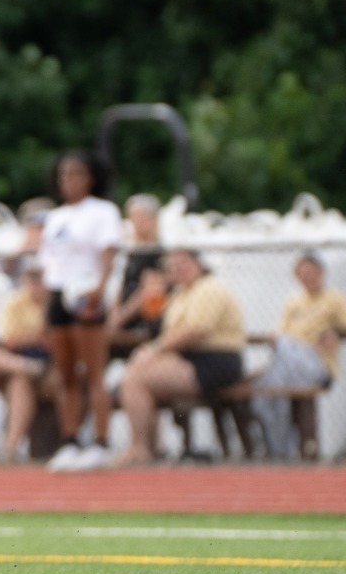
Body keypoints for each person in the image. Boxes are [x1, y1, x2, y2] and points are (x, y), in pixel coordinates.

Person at [118, 247, 248, 464]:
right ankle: (151, 447)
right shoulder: (179, 294)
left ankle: (140, 448)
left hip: (214, 361)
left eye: (183, 264)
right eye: (173, 266)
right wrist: (150, 294)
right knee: (136, 374)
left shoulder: (209, 289)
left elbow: (195, 332)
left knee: (135, 379)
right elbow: (159, 328)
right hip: (189, 359)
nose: (178, 270)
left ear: (198, 264)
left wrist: (154, 349)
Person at [39, 150, 123, 471]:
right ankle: (70, 440)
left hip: (86, 293)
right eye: (63, 175)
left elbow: (107, 252)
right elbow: (50, 263)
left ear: (91, 178)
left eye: (76, 174)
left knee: (94, 372)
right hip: (59, 294)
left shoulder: (102, 212)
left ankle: (101, 442)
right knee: (65, 375)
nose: (68, 181)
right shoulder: (56, 217)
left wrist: (98, 290)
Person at [270, 251, 346, 457]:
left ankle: (305, 448)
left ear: (321, 273)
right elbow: (280, 335)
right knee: (263, 395)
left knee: (284, 352)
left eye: (310, 272)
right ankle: (281, 449)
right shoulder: (293, 303)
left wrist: (338, 334)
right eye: (302, 273)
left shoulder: (334, 299)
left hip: (318, 364)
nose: (307, 277)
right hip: (292, 363)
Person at [0, 259, 57, 460]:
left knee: (18, 380)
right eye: (32, 278)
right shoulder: (16, 302)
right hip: (21, 361)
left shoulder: (55, 303)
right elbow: (9, 341)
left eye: (40, 278)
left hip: (49, 367)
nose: (36, 284)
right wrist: (35, 338)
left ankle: (11, 446)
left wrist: (30, 338)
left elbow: (55, 342)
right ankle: (11, 448)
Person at [110, 194, 167, 355]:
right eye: (133, 218)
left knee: (99, 339)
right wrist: (114, 315)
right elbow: (122, 286)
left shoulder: (156, 253)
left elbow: (147, 293)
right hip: (124, 321)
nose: (137, 223)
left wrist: (119, 319)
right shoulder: (134, 251)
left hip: (144, 324)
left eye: (142, 217)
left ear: (154, 219)